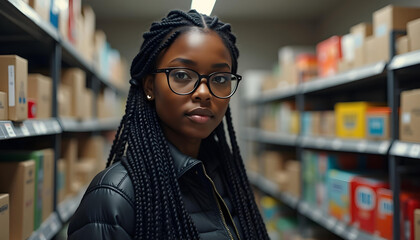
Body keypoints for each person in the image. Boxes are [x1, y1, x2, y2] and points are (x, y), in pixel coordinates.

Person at [67, 9, 269, 240]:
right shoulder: (114, 196)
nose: (204, 93)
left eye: (220, 79)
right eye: (182, 75)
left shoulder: (228, 178)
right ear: (150, 86)